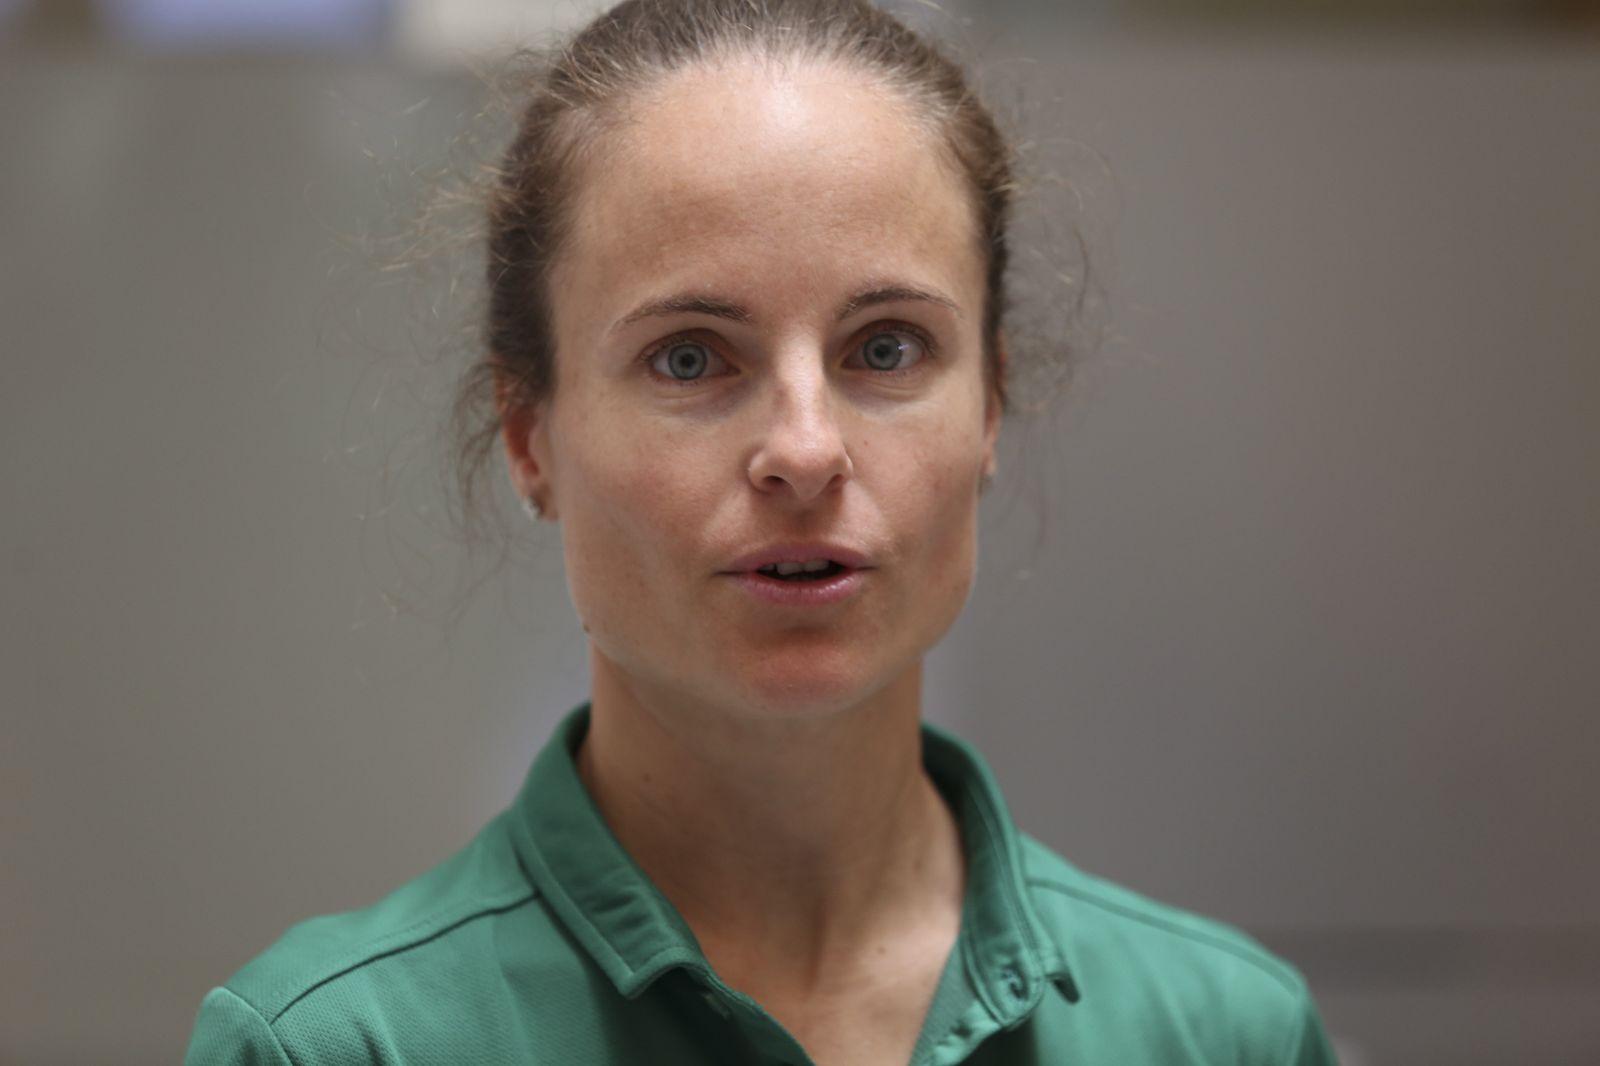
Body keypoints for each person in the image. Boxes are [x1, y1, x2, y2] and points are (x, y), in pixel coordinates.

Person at [184, 1, 1339, 1063]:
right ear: (530, 433)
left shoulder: (1225, 1034)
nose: (804, 448)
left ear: (989, 404)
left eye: (885, 348)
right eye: (689, 357)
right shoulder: (334, 1048)